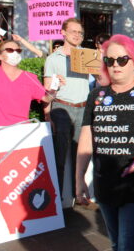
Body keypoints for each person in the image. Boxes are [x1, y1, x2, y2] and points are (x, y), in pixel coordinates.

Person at [75, 34, 134, 251]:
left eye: (122, 59)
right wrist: (79, 178)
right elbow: (86, 137)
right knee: (117, 243)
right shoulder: (96, 96)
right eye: (109, 61)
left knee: (128, 246)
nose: (115, 65)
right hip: (105, 183)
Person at [44, 18, 90, 191]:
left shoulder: (87, 56)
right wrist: (48, 114)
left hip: (83, 107)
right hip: (62, 109)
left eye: (80, 32)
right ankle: (56, 200)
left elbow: (101, 81)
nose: (77, 35)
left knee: (81, 156)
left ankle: (79, 194)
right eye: (73, 31)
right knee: (59, 156)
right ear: (63, 32)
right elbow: (47, 90)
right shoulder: (53, 59)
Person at [0, 31, 60, 126]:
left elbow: (46, 98)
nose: (15, 53)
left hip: (22, 132)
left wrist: (55, 88)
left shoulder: (29, 77)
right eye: (10, 50)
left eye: (18, 51)